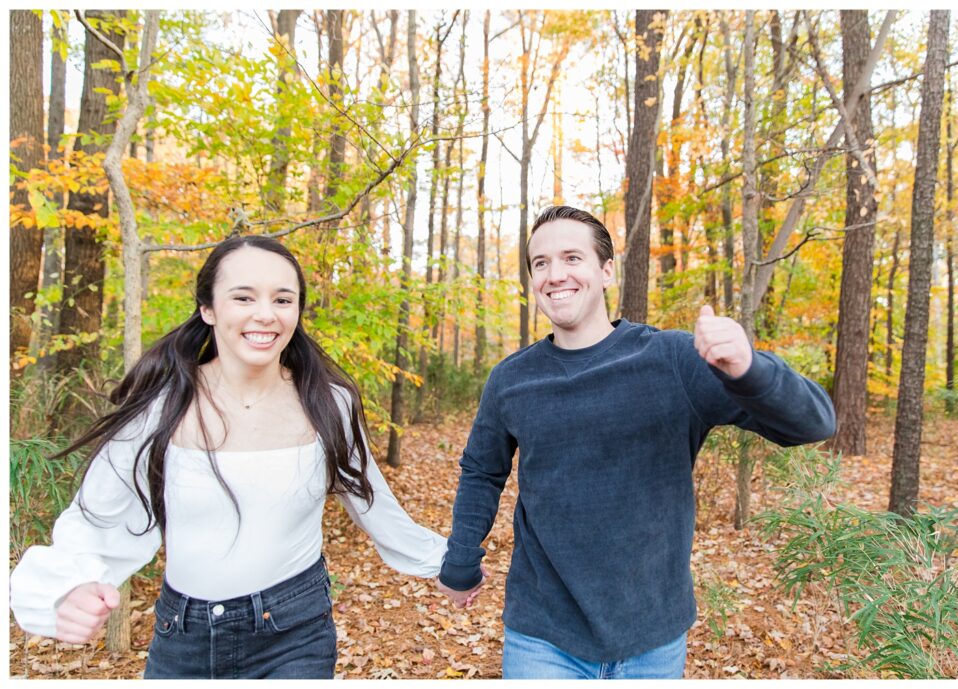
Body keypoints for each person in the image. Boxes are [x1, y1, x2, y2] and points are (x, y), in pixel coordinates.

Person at [10, 235, 447, 679]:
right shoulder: (161, 405)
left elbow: (370, 500)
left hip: (294, 634)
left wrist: (446, 563)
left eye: (283, 299)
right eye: (243, 297)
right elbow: (95, 517)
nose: (266, 314)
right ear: (209, 309)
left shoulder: (329, 402)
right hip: (183, 638)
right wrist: (67, 588)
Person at [435, 205, 836, 679]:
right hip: (543, 637)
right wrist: (460, 559)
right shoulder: (511, 380)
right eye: (540, 263)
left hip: (653, 639)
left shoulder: (672, 360)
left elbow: (813, 423)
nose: (554, 274)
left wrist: (750, 368)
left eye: (571, 258)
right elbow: (482, 472)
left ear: (606, 271)